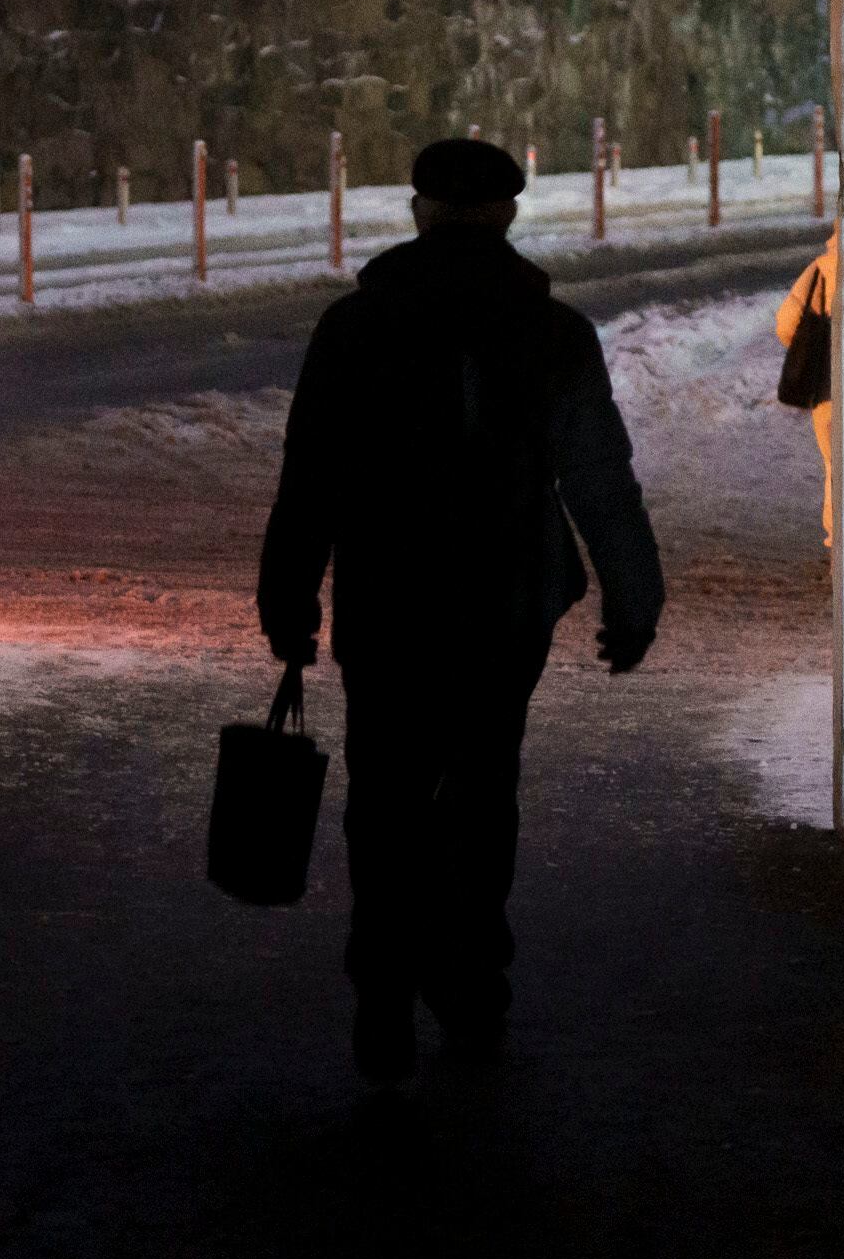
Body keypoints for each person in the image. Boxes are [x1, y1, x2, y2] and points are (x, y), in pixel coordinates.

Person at [255, 136, 665, 1083]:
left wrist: (289, 600)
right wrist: (632, 598)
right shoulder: (553, 332)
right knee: (483, 793)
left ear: (418, 213)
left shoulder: (354, 330)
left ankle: (385, 994)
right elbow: (601, 476)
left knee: (387, 796)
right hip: (504, 604)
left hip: (387, 600)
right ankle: (472, 982)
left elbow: (310, 478)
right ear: (508, 218)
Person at [771, 233, 840, 549]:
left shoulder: (823, 269)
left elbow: (786, 323)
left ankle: (838, 548)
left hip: (827, 393)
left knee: (835, 470)